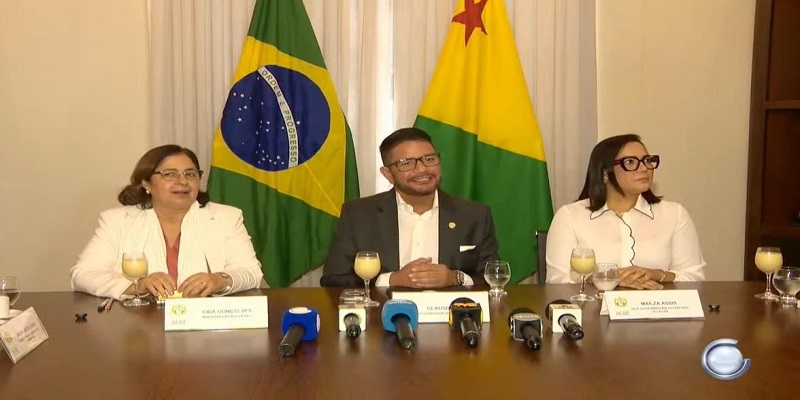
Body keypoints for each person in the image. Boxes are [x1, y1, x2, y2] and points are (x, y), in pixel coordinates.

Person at [71, 145, 264, 299]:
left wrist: (221, 281)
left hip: (205, 324)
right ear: (147, 183)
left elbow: (251, 273)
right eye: (169, 174)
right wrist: (137, 286)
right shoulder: (117, 221)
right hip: (138, 327)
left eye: (190, 174)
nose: (183, 181)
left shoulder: (226, 218)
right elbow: (83, 274)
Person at [321, 128, 499, 288]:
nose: (422, 169)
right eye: (407, 163)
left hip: (452, 313)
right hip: (383, 312)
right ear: (388, 174)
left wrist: (455, 278)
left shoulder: (474, 215)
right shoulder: (359, 215)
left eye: (429, 159)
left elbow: (494, 278)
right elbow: (333, 279)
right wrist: (392, 280)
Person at [546, 134, 705, 289]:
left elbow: (695, 277)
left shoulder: (674, 214)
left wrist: (657, 274)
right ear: (605, 173)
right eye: (630, 162)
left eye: (647, 161)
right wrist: (604, 278)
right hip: (593, 306)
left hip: (655, 306)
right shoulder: (570, 216)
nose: (644, 168)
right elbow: (557, 281)